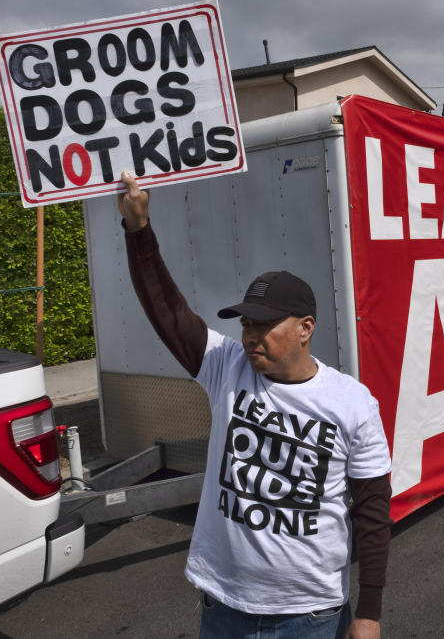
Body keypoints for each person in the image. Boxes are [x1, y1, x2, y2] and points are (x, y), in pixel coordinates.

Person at [116, 171, 392, 639]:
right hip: (224, 607)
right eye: (246, 322)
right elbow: (167, 310)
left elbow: (372, 511)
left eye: (264, 325)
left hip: (311, 615)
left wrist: (369, 612)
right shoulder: (226, 367)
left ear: (306, 328)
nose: (249, 335)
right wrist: (139, 230)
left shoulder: (354, 404)